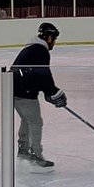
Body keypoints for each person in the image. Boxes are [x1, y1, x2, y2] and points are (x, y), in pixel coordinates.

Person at [10, 22, 69, 169]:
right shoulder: (41, 51)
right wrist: (54, 93)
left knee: (27, 119)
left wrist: (50, 93)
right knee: (36, 122)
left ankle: (23, 149)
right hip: (25, 92)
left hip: (14, 90)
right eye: (54, 39)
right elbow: (43, 75)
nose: (54, 42)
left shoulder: (31, 48)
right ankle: (36, 153)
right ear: (48, 38)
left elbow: (35, 75)